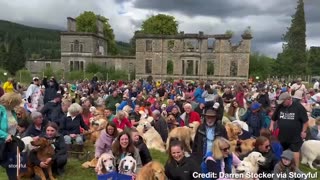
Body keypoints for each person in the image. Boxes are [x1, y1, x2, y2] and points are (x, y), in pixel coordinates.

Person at [270, 92, 308, 168]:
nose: (282, 103)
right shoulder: (280, 107)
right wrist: (271, 125)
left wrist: (303, 131)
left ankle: (296, 169)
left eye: (283, 101)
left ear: (289, 99)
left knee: (295, 151)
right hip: (283, 135)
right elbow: (273, 118)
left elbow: (305, 121)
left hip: (295, 135)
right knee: (283, 151)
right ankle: (284, 167)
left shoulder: (298, 107)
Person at [0, 93, 22, 180]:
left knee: (13, 165)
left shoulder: (12, 111)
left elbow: (10, 124)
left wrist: (16, 128)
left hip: (10, 142)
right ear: (10, 102)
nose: (18, 105)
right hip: (2, 142)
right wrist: (5, 136)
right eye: (16, 103)